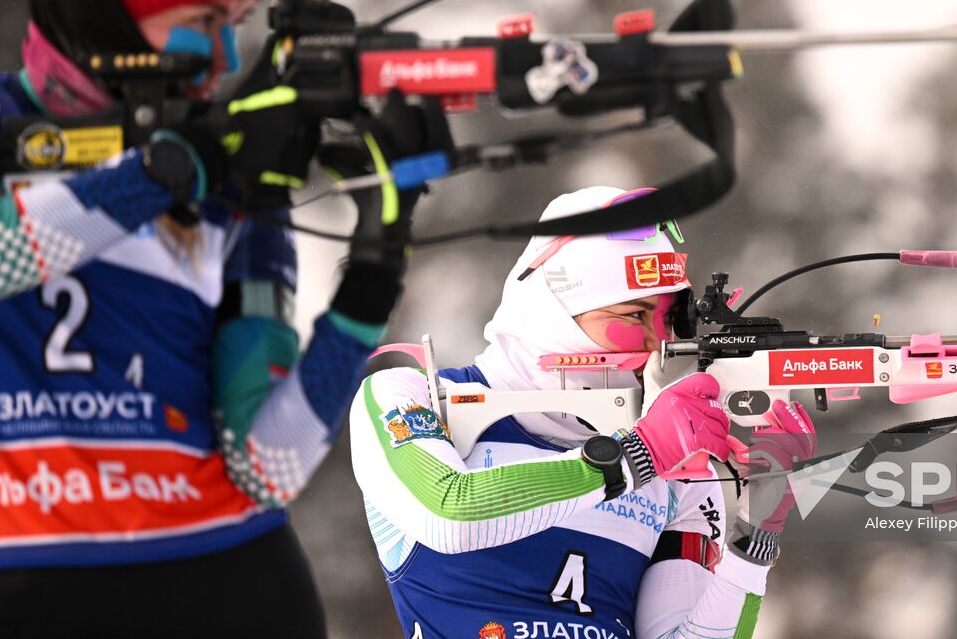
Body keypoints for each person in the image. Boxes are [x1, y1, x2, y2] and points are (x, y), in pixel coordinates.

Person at [0, 0, 431, 637]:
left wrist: (371, 275)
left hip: (219, 573)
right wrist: (167, 171)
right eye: (202, 22)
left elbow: (266, 466)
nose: (226, 60)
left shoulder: (230, 182)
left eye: (236, 25)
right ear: (108, 7)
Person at [351, 186, 818, 639]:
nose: (656, 346)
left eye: (668, 322)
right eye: (633, 316)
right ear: (553, 308)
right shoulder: (409, 396)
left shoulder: (679, 471)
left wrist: (755, 537)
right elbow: (449, 512)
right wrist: (637, 455)